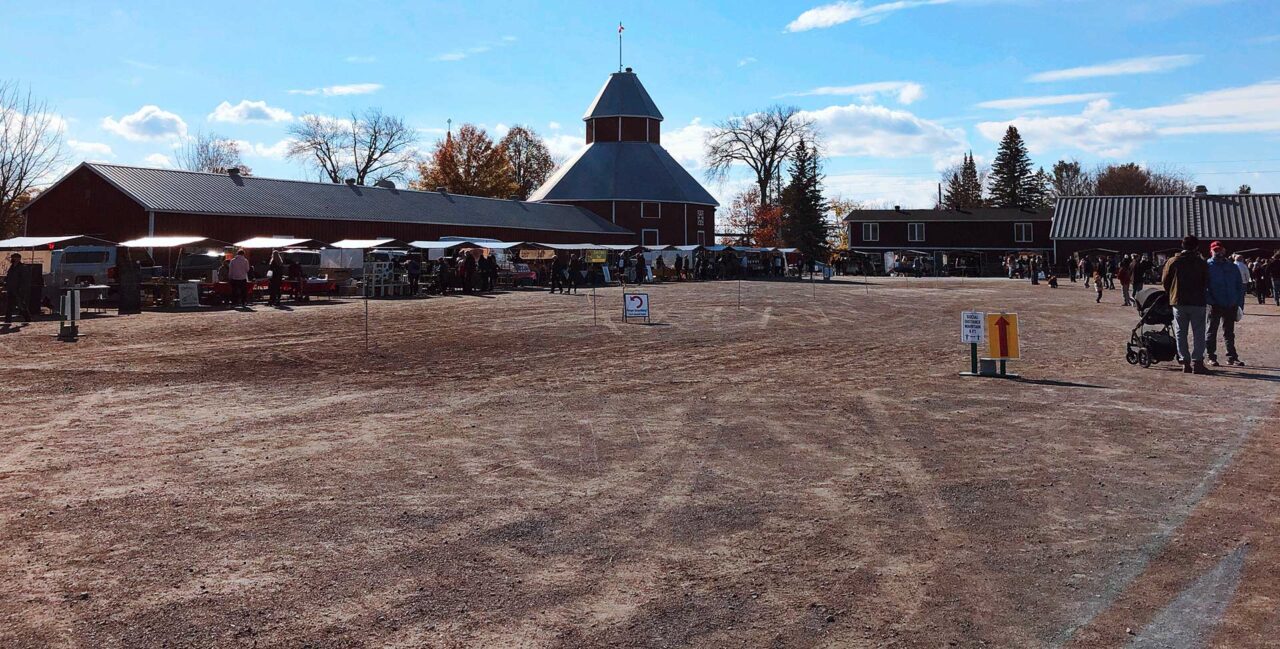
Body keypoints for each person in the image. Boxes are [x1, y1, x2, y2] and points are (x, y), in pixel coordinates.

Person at [1162, 235, 1211, 374]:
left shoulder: (1173, 261)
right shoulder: (1201, 262)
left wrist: (1171, 293)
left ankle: (1185, 362)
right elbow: (1207, 281)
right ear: (1196, 247)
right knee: (1199, 333)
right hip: (1198, 302)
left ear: (1182, 245)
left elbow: (1165, 281)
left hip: (1178, 301)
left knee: (1180, 332)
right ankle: (1197, 362)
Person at [1205, 241, 1245, 367]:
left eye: (1219, 250)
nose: (1218, 252)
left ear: (1224, 251)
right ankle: (1211, 357)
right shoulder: (1207, 266)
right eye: (1215, 250)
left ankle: (1232, 357)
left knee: (1229, 332)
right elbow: (1204, 287)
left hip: (1230, 304)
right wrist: (1211, 302)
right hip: (1215, 305)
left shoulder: (1232, 267)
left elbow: (1239, 285)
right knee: (1212, 331)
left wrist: (1238, 303)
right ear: (1211, 251)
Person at [4, 253, 30, 324]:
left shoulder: (22, 267)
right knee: (9, 305)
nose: (13, 259)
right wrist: (5, 281)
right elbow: (9, 276)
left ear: (18, 258)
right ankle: (7, 320)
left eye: (14, 258)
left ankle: (27, 318)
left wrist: (21, 288)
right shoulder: (12, 267)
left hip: (18, 289)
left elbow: (24, 279)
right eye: (12, 258)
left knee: (21, 304)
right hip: (11, 288)